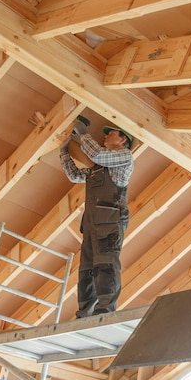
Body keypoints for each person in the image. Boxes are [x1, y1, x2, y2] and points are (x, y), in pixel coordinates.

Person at [59, 118, 134, 318]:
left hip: (109, 223)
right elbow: (74, 175)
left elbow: (98, 154)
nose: (106, 135)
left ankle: (105, 311)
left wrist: (83, 132)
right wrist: (64, 150)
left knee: (106, 265)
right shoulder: (97, 169)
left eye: (112, 133)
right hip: (93, 225)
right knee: (86, 270)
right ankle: (84, 313)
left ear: (123, 140)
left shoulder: (125, 158)